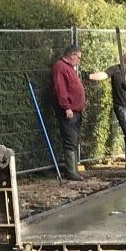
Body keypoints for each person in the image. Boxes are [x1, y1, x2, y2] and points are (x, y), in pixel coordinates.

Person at [49, 44, 86, 180]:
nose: (79, 61)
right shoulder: (60, 67)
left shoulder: (69, 68)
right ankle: (71, 171)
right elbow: (60, 89)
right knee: (70, 139)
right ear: (72, 55)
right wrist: (67, 107)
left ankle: (74, 169)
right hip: (68, 111)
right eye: (79, 58)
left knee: (74, 139)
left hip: (76, 110)